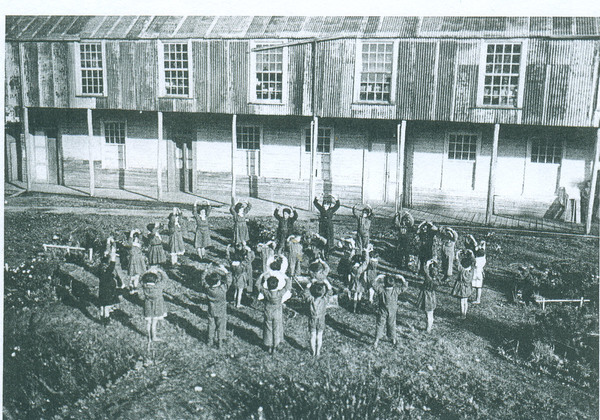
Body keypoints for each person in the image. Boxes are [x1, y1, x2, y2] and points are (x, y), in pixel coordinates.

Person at [256, 272, 292, 354]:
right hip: (277, 314)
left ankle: (269, 345)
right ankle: (275, 346)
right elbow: (288, 286)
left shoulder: (266, 292)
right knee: (276, 329)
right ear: (277, 284)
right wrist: (285, 277)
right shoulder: (280, 293)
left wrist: (261, 276)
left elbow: (257, 285)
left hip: (268, 312)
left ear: (268, 285)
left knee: (268, 329)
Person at [372, 274, 407, 348]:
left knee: (380, 325)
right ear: (394, 283)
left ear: (384, 283)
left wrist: (378, 277)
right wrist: (402, 278)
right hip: (392, 311)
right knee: (392, 324)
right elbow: (404, 287)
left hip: (382, 311)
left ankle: (376, 341)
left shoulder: (381, 290)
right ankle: (393, 340)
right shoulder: (395, 290)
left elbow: (373, 284)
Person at [202, 265, 232, 348]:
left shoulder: (208, 289)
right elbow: (229, 280)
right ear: (218, 282)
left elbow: (202, 280)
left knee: (211, 325)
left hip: (211, 310)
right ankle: (220, 342)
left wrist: (206, 270)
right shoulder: (223, 289)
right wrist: (225, 271)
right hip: (221, 311)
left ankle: (210, 341)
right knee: (221, 326)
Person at [303, 279, 333, 357]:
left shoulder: (310, 300)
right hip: (321, 320)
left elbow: (305, 293)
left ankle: (313, 352)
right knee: (319, 336)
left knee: (313, 336)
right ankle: (318, 352)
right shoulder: (324, 300)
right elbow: (330, 293)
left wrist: (309, 284)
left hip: (312, 319)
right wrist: (327, 283)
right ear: (322, 293)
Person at [141, 267, 168, 343]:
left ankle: (149, 337)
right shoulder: (158, 287)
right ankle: (154, 337)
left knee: (148, 322)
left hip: (147, 307)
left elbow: (141, 279)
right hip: (157, 307)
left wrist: (147, 271)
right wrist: (160, 271)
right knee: (154, 323)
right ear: (156, 280)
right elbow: (165, 279)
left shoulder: (144, 286)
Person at [313, 195, 341, 260]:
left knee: (328, 241)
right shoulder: (321, 209)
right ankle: (321, 253)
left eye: (327, 205)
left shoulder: (331, 210)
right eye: (324, 205)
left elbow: (338, 205)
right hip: (322, 227)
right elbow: (315, 203)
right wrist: (317, 197)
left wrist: (336, 199)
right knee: (322, 239)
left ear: (329, 205)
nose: (325, 207)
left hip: (329, 227)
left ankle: (327, 254)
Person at [451, 249, 476, 319]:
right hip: (468, 287)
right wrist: (472, 253)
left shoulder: (462, 270)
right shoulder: (472, 271)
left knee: (462, 301)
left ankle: (462, 315)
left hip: (462, 288)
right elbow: (474, 261)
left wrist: (457, 254)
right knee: (466, 301)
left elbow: (457, 262)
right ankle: (465, 314)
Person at [98, 253, 121, 325]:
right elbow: (112, 266)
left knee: (102, 306)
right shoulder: (107, 274)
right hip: (108, 293)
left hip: (101, 292)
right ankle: (106, 321)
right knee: (107, 307)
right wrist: (113, 258)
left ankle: (101, 319)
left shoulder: (100, 272)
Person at [417, 259, 438, 332]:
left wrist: (427, 264)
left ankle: (428, 328)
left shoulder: (428, 279)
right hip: (432, 296)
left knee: (428, 314)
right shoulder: (436, 280)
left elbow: (425, 271)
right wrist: (436, 264)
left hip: (426, 297)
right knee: (430, 313)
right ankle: (429, 326)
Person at [466, 236, 487, 305]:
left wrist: (472, 238)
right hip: (480, 273)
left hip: (475, 273)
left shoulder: (476, 260)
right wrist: (482, 244)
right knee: (479, 287)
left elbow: (475, 247)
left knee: (472, 285)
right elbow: (480, 247)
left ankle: (468, 295)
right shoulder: (483, 258)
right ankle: (478, 299)